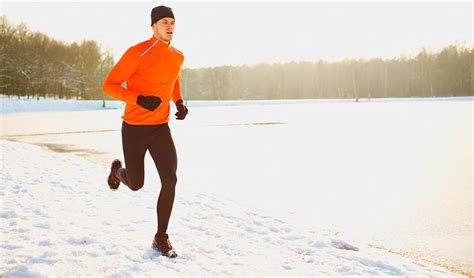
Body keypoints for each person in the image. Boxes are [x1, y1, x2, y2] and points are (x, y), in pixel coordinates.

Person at [102, 5, 188, 258]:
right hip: (135, 128)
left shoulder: (177, 56)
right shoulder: (137, 52)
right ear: (153, 26)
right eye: (164, 22)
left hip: (160, 128)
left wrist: (179, 101)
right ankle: (117, 171)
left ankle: (161, 237)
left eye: (172, 21)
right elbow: (109, 85)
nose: (169, 26)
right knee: (137, 183)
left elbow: (173, 80)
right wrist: (138, 100)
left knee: (170, 179)